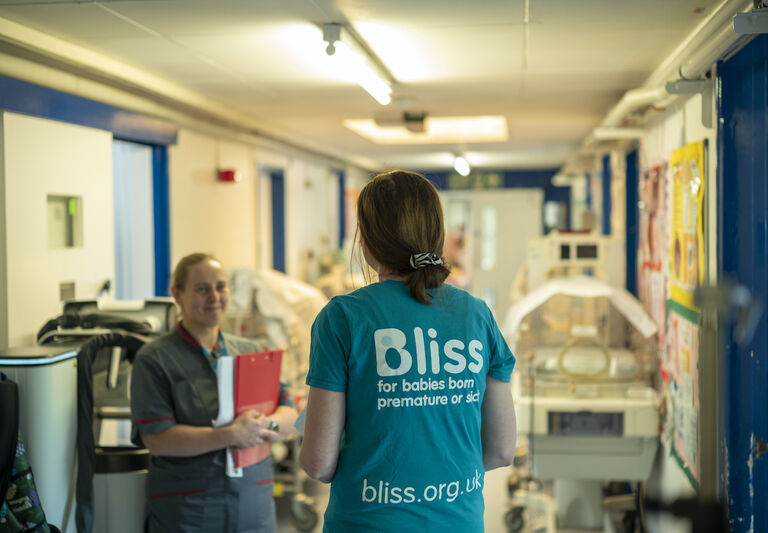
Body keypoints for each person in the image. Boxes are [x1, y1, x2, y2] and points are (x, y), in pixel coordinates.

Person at [300, 170, 517, 533]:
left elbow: (318, 464)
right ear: (436, 233)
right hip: (458, 522)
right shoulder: (477, 315)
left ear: (367, 240)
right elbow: (501, 450)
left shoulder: (343, 318)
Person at [130, 253, 298, 533]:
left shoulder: (251, 352)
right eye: (201, 289)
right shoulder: (154, 359)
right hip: (190, 508)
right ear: (177, 294)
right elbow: (158, 440)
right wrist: (231, 435)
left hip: (253, 504)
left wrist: (266, 425)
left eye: (221, 287)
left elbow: (291, 414)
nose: (214, 297)